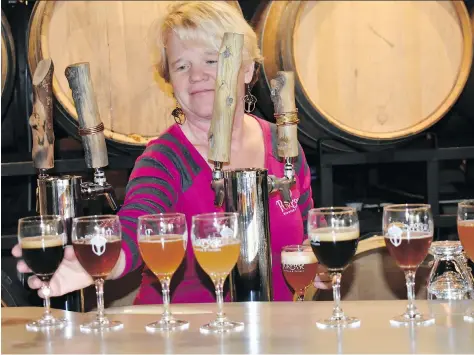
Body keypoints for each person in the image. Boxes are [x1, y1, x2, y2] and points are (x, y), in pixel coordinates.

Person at [12, 1, 324, 304]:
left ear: (247, 70)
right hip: (184, 338)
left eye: (212, 60)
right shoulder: (164, 158)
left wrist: (321, 261)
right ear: (170, 82)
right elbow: (136, 222)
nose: (196, 75)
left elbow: (308, 233)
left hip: (277, 333)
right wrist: (102, 261)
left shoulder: (284, 146)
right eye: (181, 66)